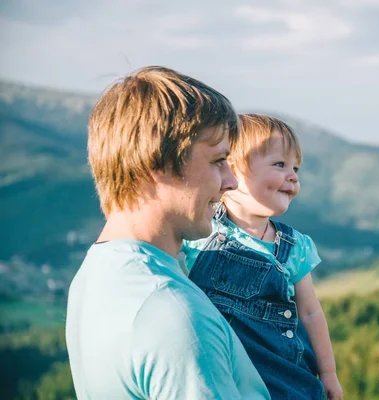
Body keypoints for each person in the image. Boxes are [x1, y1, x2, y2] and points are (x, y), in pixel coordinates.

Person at [65, 66, 270, 399]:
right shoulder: (174, 315)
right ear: (156, 164)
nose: (231, 181)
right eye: (218, 160)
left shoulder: (94, 276)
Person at [182, 114, 343, 400]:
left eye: (295, 167)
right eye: (279, 164)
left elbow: (310, 312)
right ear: (233, 170)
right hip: (222, 377)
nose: (293, 175)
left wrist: (328, 373)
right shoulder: (201, 232)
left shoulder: (294, 247)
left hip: (286, 380)